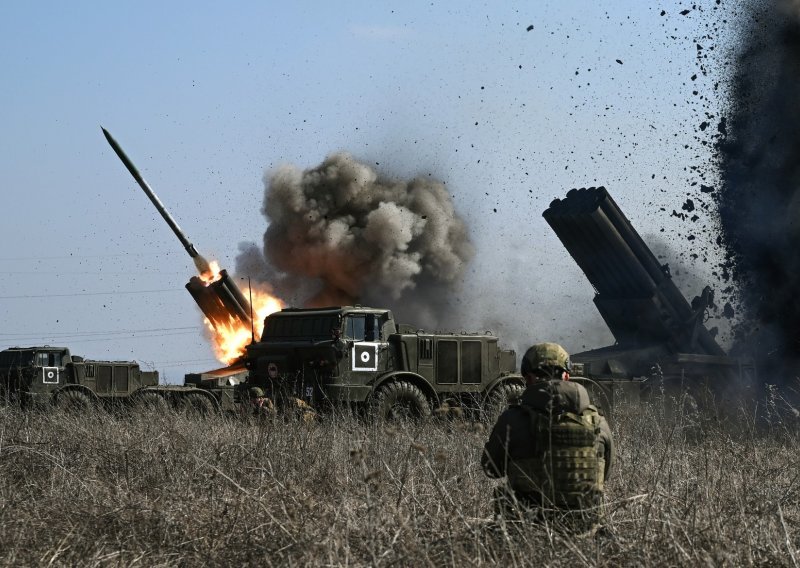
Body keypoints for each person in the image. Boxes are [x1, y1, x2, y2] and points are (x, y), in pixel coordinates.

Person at [481, 342, 614, 528]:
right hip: (585, 528)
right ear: (567, 376)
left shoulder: (512, 420)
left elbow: (490, 469)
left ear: (528, 378)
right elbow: (604, 474)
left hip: (527, 529)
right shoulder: (599, 422)